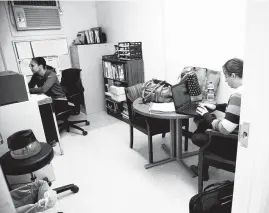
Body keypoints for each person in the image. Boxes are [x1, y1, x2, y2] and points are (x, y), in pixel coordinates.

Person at [190, 58, 243, 180]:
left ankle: (201, 170)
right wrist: (216, 106)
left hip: (232, 144)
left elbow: (225, 129)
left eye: (226, 76)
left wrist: (207, 116)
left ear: (233, 75)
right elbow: (234, 110)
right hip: (239, 137)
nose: (225, 80)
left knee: (198, 136)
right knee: (205, 122)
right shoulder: (247, 91)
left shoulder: (237, 95)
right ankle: (202, 169)